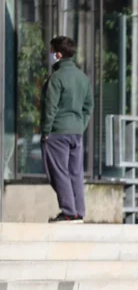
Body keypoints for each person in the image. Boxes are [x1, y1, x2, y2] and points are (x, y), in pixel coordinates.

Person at [40, 36, 94, 224]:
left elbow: (50, 108)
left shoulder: (56, 78)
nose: (50, 54)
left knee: (58, 172)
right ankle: (78, 211)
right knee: (75, 173)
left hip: (57, 132)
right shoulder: (83, 78)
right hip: (76, 133)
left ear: (59, 54)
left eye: (51, 50)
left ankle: (68, 211)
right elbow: (89, 106)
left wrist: (46, 131)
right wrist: (81, 125)